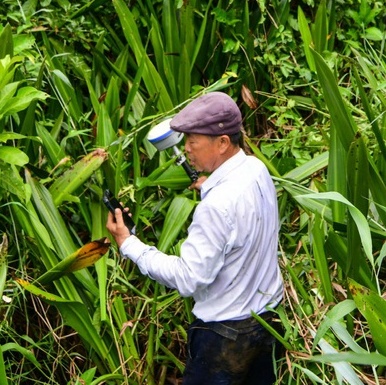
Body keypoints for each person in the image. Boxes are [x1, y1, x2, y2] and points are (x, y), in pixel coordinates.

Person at [105, 91, 284, 385]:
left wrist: (129, 245)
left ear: (223, 142)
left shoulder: (216, 207)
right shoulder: (256, 168)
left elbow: (190, 279)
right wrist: (210, 184)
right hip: (269, 322)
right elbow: (238, 212)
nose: (186, 148)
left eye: (192, 141)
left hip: (224, 338)